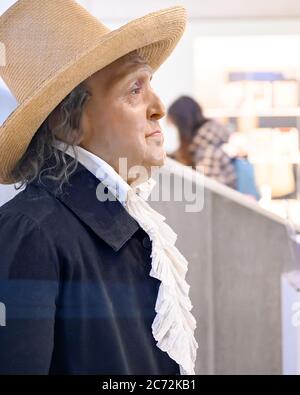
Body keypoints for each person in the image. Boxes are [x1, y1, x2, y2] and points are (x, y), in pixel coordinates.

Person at [0, 0, 198, 375]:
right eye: (134, 89)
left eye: (150, 85)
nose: (158, 107)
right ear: (68, 123)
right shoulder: (29, 232)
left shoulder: (127, 221)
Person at [167, 96, 237, 189]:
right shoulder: (204, 144)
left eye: (176, 126)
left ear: (182, 125)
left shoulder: (208, 152)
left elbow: (209, 195)